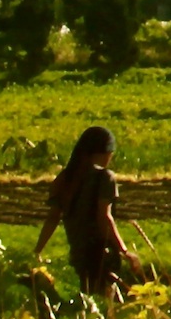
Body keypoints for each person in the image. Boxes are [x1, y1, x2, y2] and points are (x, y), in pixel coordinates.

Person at [34, 124, 135, 297]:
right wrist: (125, 252)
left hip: (78, 257)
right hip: (101, 258)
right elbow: (104, 217)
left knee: (86, 305)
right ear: (104, 152)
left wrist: (37, 251)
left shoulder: (65, 178)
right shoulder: (105, 177)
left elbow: (52, 219)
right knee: (107, 307)